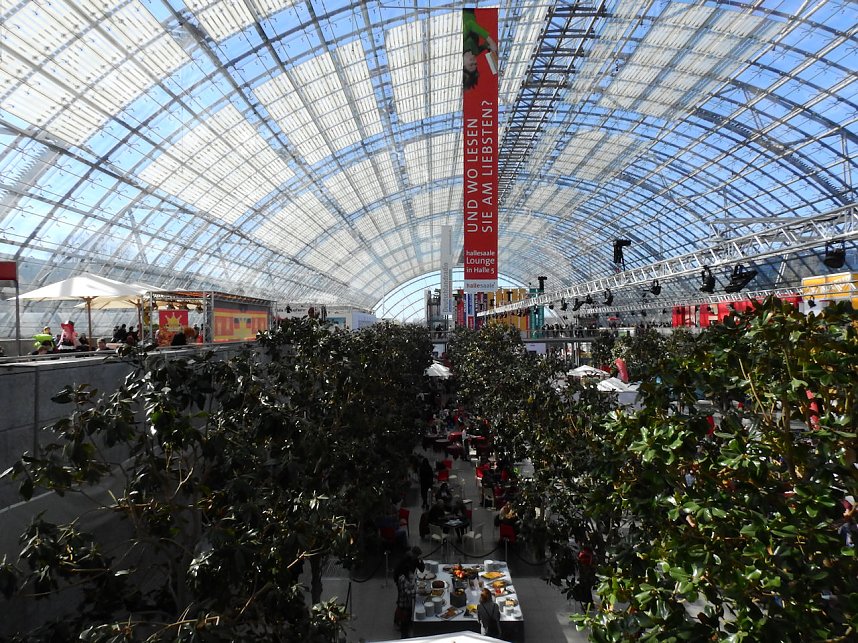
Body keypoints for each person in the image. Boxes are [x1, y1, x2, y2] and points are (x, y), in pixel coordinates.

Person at [463, 8, 498, 91]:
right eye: (475, 64)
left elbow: (470, 24)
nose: (474, 62)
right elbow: (487, 46)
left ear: (462, 65)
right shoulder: (476, 52)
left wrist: (491, 42)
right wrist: (494, 53)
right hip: (471, 10)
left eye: (471, 65)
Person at [395, 551, 418, 638]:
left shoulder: (404, 576)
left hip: (406, 604)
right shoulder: (403, 579)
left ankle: (406, 629)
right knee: (405, 624)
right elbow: (406, 592)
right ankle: (404, 637)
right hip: (404, 604)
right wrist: (416, 592)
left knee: (407, 619)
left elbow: (409, 585)